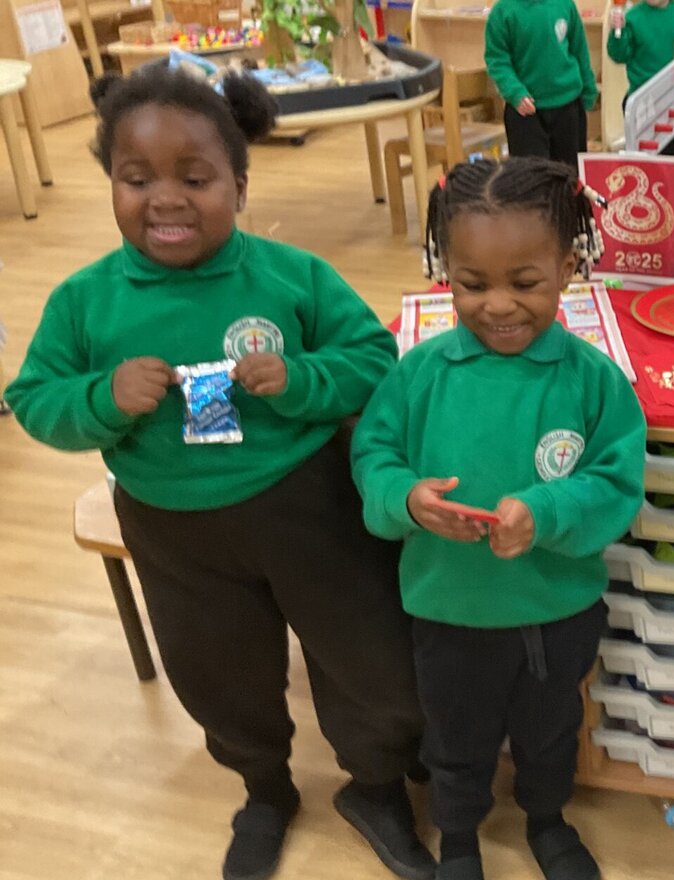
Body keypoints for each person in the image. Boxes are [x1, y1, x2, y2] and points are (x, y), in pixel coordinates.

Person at [5, 66, 432, 880]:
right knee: (216, 671)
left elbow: (376, 358)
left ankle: (375, 788)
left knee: (370, 658)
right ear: (111, 184)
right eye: (137, 180)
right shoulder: (84, 301)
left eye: (194, 178)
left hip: (309, 505)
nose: (165, 198)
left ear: (239, 182)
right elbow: (32, 399)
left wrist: (300, 379)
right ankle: (265, 790)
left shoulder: (289, 275)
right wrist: (101, 397)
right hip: (171, 525)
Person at [351, 156, 646, 880]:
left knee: (550, 734)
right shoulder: (419, 374)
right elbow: (374, 457)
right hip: (449, 611)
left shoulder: (592, 379)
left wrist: (545, 512)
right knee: (455, 739)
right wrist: (408, 500)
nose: (499, 305)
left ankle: (547, 819)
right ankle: (457, 839)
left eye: (526, 283)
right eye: (472, 284)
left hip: (555, 608)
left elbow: (616, 482)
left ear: (569, 267)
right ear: (443, 270)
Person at [485, 0, 598, 168]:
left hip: (568, 106)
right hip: (525, 112)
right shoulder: (502, 12)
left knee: (570, 177)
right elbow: (497, 60)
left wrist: (589, 90)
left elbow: (579, 50)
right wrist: (515, 92)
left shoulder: (565, 5)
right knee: (531, 180)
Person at [606, 0, 674, 156]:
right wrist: (617, 32)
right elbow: (619, 55)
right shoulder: (633, 17)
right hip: (644, 100)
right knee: (646, 154)